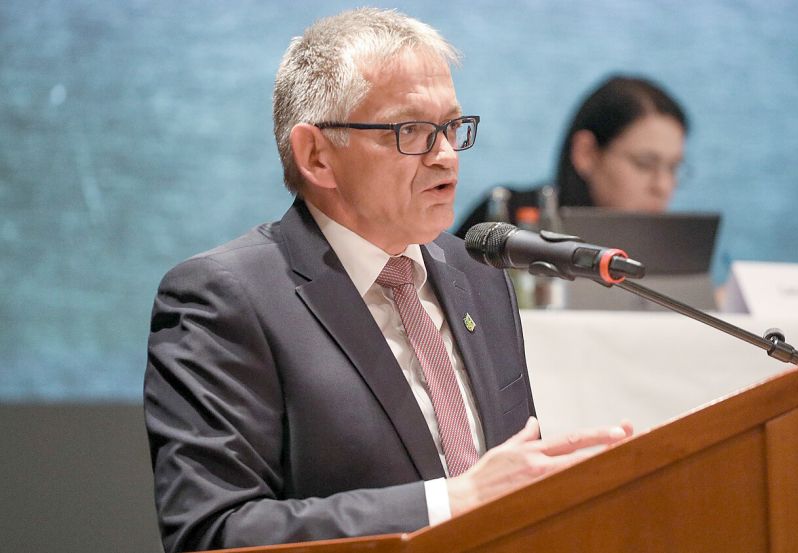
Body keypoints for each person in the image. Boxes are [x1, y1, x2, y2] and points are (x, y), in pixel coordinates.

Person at [143, 9, 632, 553]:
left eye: (451, 127)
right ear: (317, 156)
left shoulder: (479, 274)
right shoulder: (224, 298)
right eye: (412, 131)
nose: (446, 156)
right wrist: (450, 503)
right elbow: (213, 531)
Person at [454, 75, 688, 237]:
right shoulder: (505, 220)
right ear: (586, 153)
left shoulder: (675, 251)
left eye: (673, 168)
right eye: (645, 164)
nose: (663, 186)